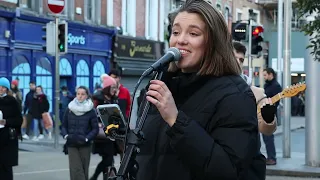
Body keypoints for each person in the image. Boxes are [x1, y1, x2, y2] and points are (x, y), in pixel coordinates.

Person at [135, 1, 266, 179]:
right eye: (175, 32)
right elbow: (147, 156)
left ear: (213, 43)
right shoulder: (160, 85)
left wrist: (176, 119)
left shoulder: (235, 95)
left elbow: (228, 171)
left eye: (193, 33)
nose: (180, 40)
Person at [233, 41, 277, 135]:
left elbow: (267, 130)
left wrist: (268, 118)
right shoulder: (210, 84)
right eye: (233, 57)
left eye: (241, 60)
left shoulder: (256, 92)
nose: (237, 62)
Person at [61, 86, 99, 180]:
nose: (80, 96)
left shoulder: (91, 110)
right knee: (75, 169)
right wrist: (66, 136)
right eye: (78, 94)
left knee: (84, 169)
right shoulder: (69, 108)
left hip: (85, 144)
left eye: (82, 94)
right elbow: (64, 126)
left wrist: (87, 138)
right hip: (72, 143)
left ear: (87, 95)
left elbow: (95, 129)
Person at [91, 75, 118, 180]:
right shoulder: (98, 98)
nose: (114, 90)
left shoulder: (114, 99)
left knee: (109, 160)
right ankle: (95, 177)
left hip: (112, 133)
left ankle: (99, 177)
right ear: (107, 88)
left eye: (115, 87)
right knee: (108, 159)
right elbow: (93, 114)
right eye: (112, 87)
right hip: (101, 134)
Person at [0, 77, 23, 180]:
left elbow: (19, 120)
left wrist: (6, 122)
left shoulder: (12, 101)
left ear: (7, 89)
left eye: (3, 87)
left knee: (6, 167)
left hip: (7, 138)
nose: (0, 89)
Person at [263, 67, 282, 165]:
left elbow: (276, 102)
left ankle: (272, 158)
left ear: (271, 75)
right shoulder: (267, 85)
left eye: (265, 75)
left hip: (269, 115)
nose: (264, 77)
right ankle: (270, 157)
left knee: (268, 137)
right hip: (264, 114)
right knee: (266, 138)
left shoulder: (276, 86)